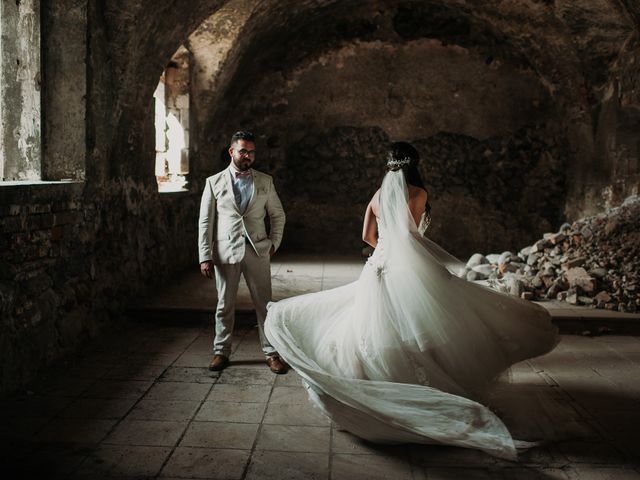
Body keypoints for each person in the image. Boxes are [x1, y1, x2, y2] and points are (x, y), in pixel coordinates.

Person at [264, 141, 559, 459]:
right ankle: (424, 387)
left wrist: (383, 251)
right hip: (408, 265)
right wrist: (410, 258)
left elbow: (367, 236)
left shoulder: (378, 195)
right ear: (415, 165)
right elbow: (411, 235)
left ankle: (379, 382)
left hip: (378, 266)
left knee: (375, 326)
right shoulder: (419, 194)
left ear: (389, 166)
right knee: (428, 321)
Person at [199, 131, 287, 374]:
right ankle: (221, 351)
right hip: (225, 251)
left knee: (265, 305)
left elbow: (278, 215)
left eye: (252, 152)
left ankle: (271, 353)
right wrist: (205, 255)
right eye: (243, 151)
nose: (248, 156)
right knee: (224, 304)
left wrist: (273, 243)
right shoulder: (213, 182)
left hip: (258, 251)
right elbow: (205, 222)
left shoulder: (265, 181)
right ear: (232, 152)